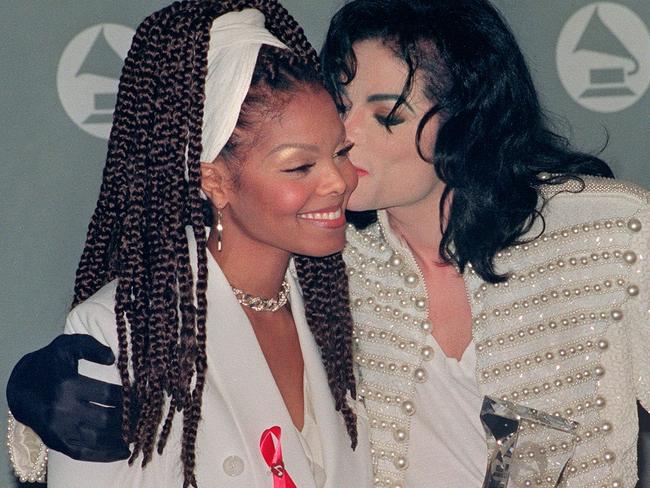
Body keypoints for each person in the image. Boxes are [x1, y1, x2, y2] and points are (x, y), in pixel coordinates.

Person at [7, 0, 650, 487]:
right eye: (341, 105)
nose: (347, 147)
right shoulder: (337, 265)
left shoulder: (609, 236)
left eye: (387, 113)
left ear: (469, 115)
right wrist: (30, 402)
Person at [6, 1, 374, 487]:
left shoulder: (346, 301)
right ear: (215, 181)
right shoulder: (126, 333)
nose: (340, 181)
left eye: (341, 152)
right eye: (299, 167)